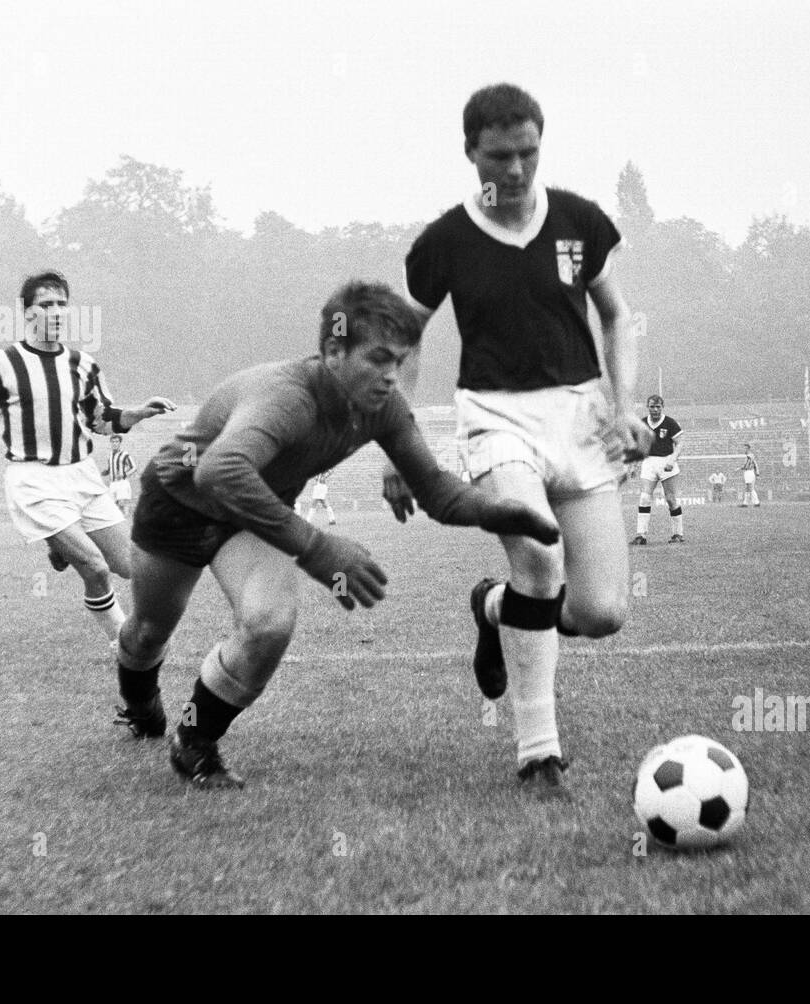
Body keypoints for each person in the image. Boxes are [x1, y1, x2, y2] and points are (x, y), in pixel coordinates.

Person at [115, 281, 559, 789]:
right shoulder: (287, 397)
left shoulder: (382, 406)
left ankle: (193, 740)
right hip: (178, 504)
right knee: (149, 631)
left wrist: (506, 512)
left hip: (254, 514)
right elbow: (217, 470)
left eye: (399, 360)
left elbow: (437, 491)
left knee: (268, 626)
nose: (392, 376)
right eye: (377, 359)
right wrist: (318, 547)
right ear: (332, 351)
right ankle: (140, 701)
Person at [390, 83, 650, 799]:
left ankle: (492, 607)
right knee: (538, 553)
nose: (513, 171)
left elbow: (618, 316)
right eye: (498, 157)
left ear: (542, 144)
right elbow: (405, 340)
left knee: (600, 614)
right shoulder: (444, 242)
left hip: (583, 415)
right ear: (470, 151)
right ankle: (540, 753)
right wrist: (398, 441)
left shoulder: (579, 221)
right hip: (496, 415)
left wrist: (625, 408)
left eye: (527, 153)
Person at [0, 271, 176, 645]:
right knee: (94, 567)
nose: (56, 312)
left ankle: (60, 543)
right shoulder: (2, 362)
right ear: (27, 313)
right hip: (34, 480)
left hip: (82, 476)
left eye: (62, 304)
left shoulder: (84, 365)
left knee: (132, 567)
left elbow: (104, 420)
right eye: (46, 305)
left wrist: (138, 413)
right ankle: (123, 645)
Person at [631, 394, 685, 544]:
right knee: (644, 497)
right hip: (649, 462)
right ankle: (641, 535)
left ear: (662, 407)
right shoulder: (642, 423)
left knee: (671, 499)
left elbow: (680, 443)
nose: (655, 410)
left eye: (658, 407)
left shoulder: (670, 423)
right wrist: (634, 465)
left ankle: (678, 534)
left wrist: (673, 459)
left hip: (666, 461)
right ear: (647, 407)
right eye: (652, 407)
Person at [103, 434, 137, 514]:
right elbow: (110, 467)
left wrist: (124, 474)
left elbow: (134, 467)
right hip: (112, 483)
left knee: (123, 502)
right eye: (113, 442)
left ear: (120, 443)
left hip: (122, 482)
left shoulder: (125, 454)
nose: (114, 443)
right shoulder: (110, 454)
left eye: (117, 442)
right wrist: (106, 472)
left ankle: (126, 518)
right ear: (110, 443)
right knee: (112, 504)